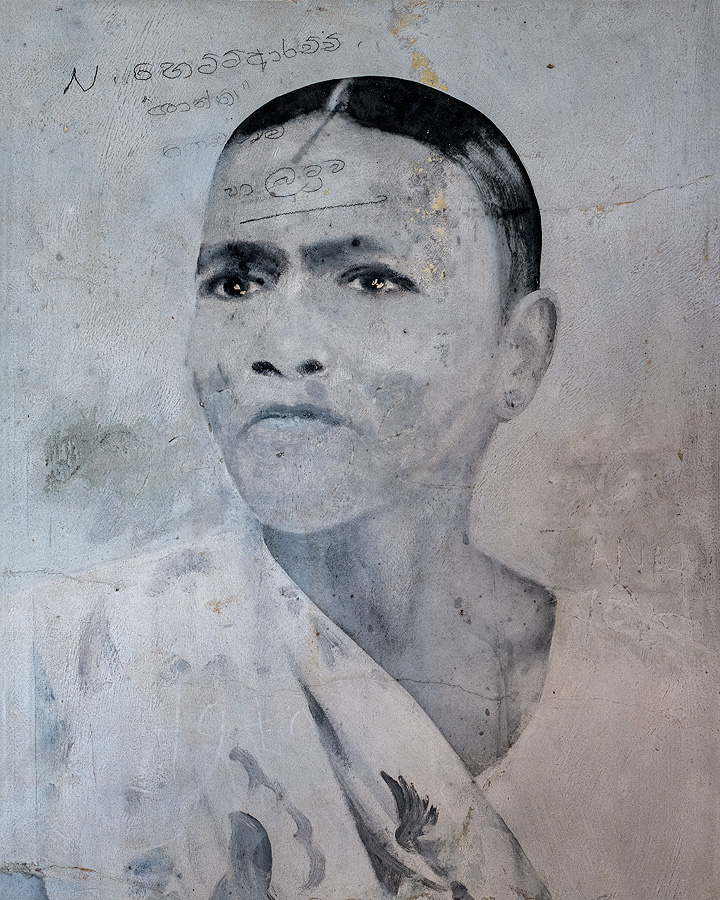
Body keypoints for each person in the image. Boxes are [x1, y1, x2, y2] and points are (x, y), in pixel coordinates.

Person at [0, 77, 556, 900]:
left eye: (371, 279)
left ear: (520, 353)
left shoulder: (660, 697)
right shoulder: (55, 665)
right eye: (237, 282)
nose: (282, 344)